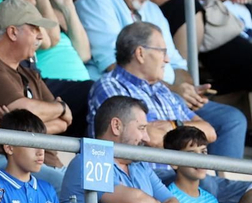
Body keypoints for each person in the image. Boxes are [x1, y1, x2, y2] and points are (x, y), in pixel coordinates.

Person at [74, 0, 241, 153]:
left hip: (168, 98)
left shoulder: (152, 10)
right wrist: (174, 90)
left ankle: (209, 174)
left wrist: (186, 89)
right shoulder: (98, 1)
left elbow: (176, 62)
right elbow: (116, 65)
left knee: (231, 120)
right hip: (128, 98)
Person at [89, 20, 238, 156]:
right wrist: (185, 132)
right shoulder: (111, 87)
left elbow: (209, 132)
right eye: (163, 52)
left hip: (180, 173)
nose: (167, 60)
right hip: (148, 174)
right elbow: (151, 139)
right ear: (140, 53)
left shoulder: (163, 90)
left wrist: (172, 125)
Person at [59, 95, 183, 203]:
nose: (146, 138)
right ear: (116, 126)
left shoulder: (140, 165)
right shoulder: (90, 159)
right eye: (141, 128)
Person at [0, 0, 73, 169]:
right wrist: (61, 108)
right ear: (12, 32)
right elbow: (27, 110)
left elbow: (64, 122)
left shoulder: (28, 73)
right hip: (3, 165)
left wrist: (20, 129)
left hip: (45, 165)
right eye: (34, 28)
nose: (41, 35)